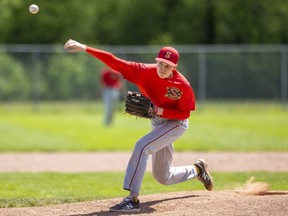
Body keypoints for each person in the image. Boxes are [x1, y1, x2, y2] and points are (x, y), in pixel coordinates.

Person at [64, 39, 214, 213]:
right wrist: (85, 48)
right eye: (161, 63)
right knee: (162, 177)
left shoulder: (183, 86)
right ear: (156, 61)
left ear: (175, 67)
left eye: (168, 65)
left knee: (142, 146)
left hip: (176, 123)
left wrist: (158, 110)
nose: (163, 68)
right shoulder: (143, 71)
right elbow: (114, 61)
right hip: (158, 122)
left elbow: (184, 114)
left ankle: (132, 199)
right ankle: (198, 170)